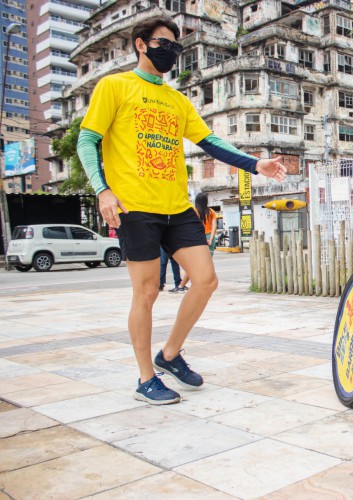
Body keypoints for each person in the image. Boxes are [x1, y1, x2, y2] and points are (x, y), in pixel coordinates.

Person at [76, 16, 287, 405]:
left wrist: (255, 164)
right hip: (135, 208)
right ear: (141, 45)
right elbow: (87, 141)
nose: (170, 50)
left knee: (205, 280)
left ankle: (169, 355)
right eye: (162, 42)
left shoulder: (177, 100)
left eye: (176, 45)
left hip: (176, 207)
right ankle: (145, 378)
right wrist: (102, 190)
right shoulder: (115, 86)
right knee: (147, 292)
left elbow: (211, 142)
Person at [177, 192, 217, 290]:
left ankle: (182, 285)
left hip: (198, 238)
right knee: (207, 264)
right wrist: (210, 239)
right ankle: (202, 283)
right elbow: (214, 226)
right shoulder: (211, 212)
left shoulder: (194, 212)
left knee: (193, 264)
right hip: (209, 239)